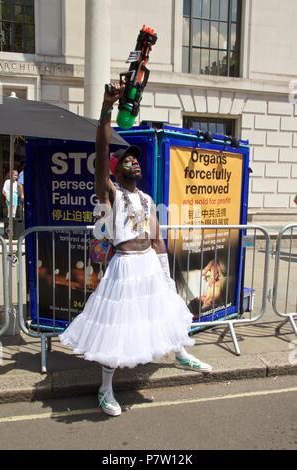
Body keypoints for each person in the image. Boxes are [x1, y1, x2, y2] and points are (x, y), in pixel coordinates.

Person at [59, 82, 212, 417]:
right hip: (125, 267)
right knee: (118, 329)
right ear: (116, 170)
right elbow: (101, 154)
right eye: (127, 161)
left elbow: (157, 238)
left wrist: (165, 274)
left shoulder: (145, 199)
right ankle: (105, 388)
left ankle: (181, 354)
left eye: (136, 160)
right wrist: (105, 111)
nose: (134, 163)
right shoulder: (111, 192)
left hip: (148, 265)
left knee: (164, 314)